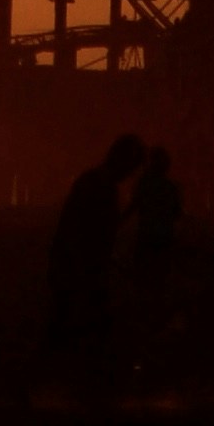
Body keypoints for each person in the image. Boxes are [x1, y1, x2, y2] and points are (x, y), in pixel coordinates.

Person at [47, 133, 145, 354]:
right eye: (132, 166)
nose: (131, 174)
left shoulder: (96, 181)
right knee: (75, 319)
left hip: (77, 264)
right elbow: (85, 228)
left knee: (68, 321)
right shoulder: (100, 185)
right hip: (78, 265)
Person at [129, 145, 183, 281]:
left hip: (147, 236)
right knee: (159, 278)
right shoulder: (170, 187)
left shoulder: (144, 183)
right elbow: (177, 213)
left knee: (144, 278)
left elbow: (134, 205)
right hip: (163, 237)